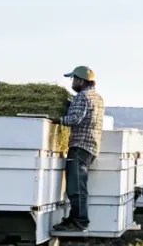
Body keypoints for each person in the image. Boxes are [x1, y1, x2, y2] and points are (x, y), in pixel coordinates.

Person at [53, 66, 105, 232]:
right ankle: (73, 218)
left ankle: (80, 221)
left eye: (74, 79)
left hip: (80, 145)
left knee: (76, 186)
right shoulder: (98, 98)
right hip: (90, 146)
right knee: (78, 185)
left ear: (82, 81)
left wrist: (55, 119)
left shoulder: (82, 97)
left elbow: (75, 118)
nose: (72, 83)